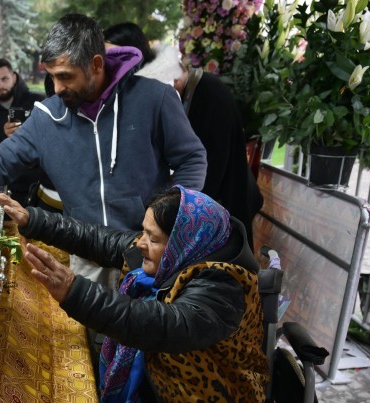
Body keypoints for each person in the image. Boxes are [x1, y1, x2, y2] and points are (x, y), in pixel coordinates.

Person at [0, 186, 270, 403]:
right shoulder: (179, 254)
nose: (141, 243)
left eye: (154, 238)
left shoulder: (221, 290)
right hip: (165, 393)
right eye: (144, 232)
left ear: (183, 241)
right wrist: (32, 220)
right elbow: (101, 239)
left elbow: (157, 325)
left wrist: (74, 292)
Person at [0, 14, 207, 284]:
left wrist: (170, 218)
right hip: (88, 255)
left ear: (96, 64)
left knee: (153, 324)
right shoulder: (47, 116)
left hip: (151, 253)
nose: (57, 88)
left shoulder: (154, 98)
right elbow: (2, 159)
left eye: (65, 76)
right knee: (94, 326)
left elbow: (192, 158)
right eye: (52, 76)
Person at [104, 22, 263, 247]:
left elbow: (208, 174)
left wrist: (168, 217)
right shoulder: (190, 93)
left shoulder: (208, 95)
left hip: (224, 213)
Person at [0, 58, 47, 205]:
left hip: (40, 184)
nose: (0, 85)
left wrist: (24, 133)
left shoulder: (38, 102)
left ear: (14, 78)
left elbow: (51, 141)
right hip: (6, 187)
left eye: (4, 79)